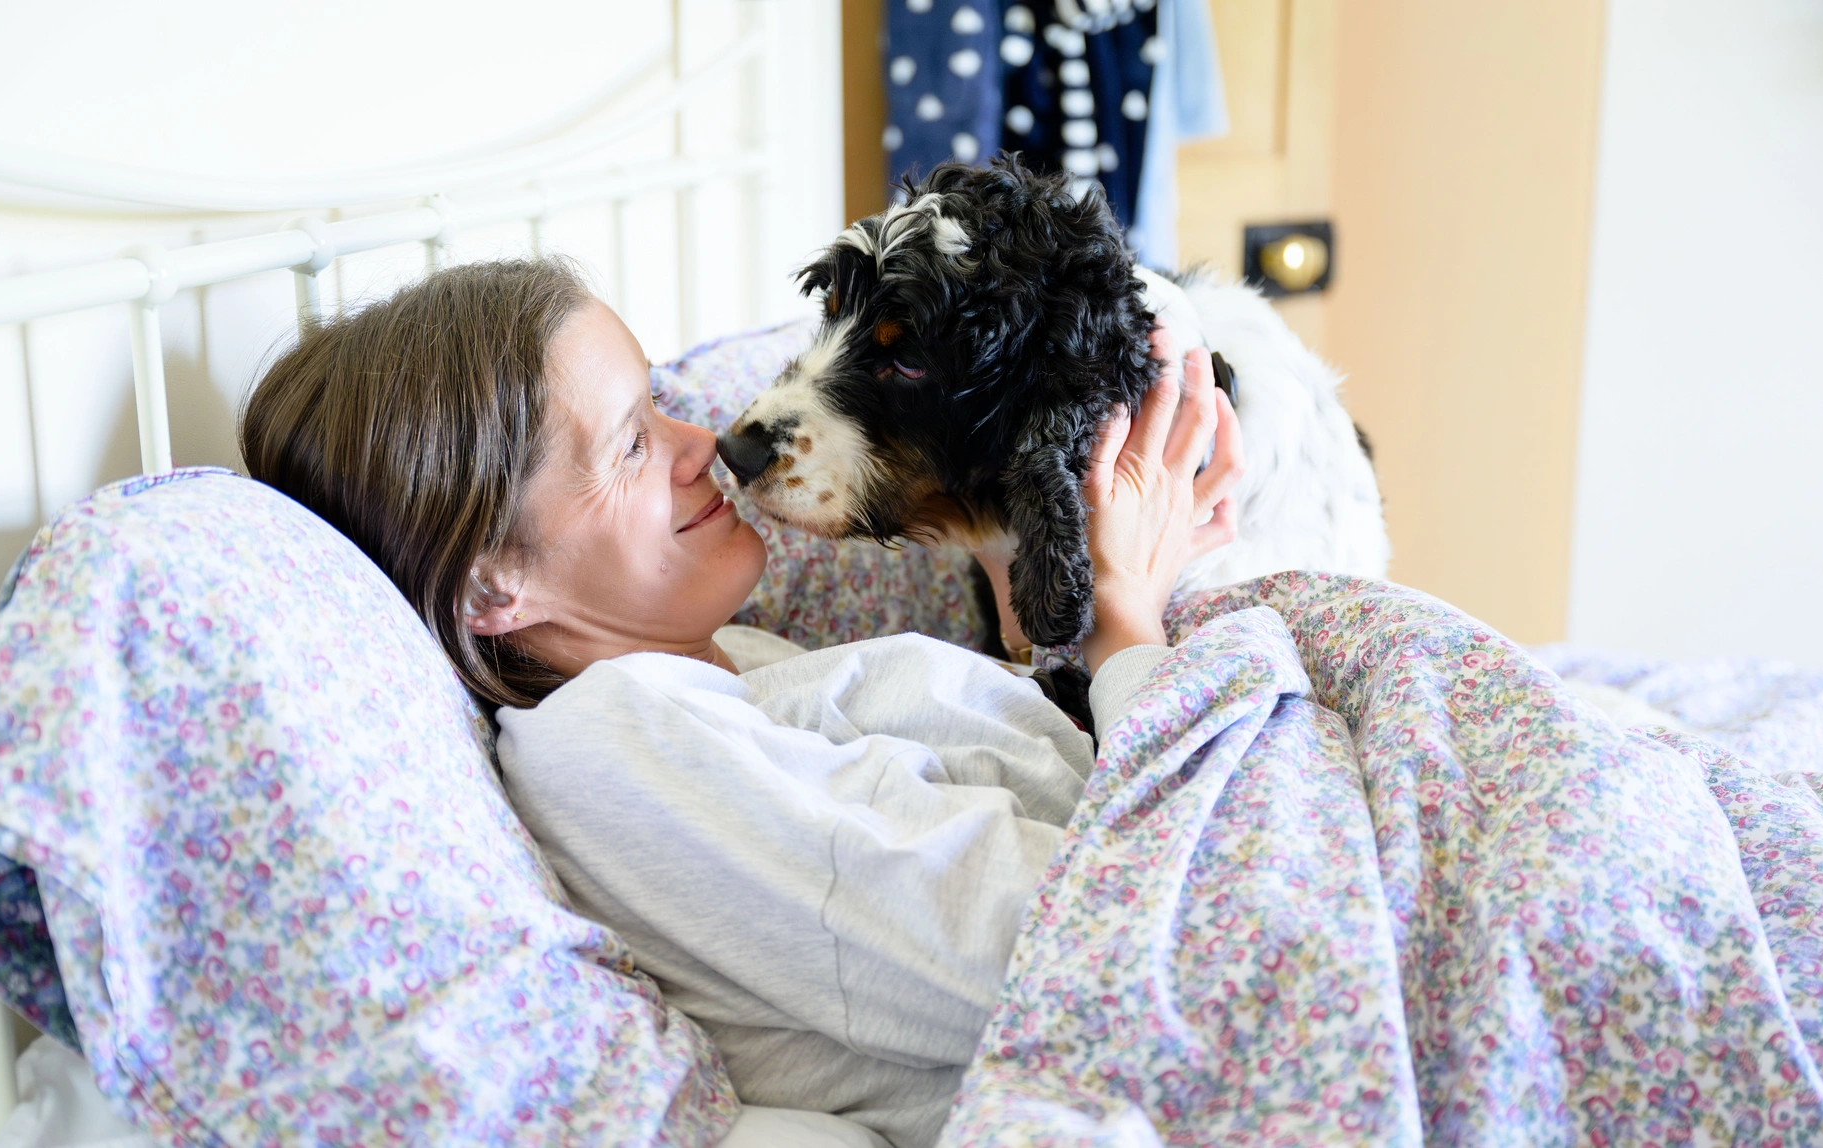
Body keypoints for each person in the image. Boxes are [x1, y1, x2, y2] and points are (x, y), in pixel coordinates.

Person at [239, 257, 1243, 1148]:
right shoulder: (618, 744)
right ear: (495, 584)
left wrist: (1056, 611)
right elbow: (1086, 946)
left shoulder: (722, 662)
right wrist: (1126, 632)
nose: (703, 440)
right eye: (629, 444)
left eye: (660, 406)